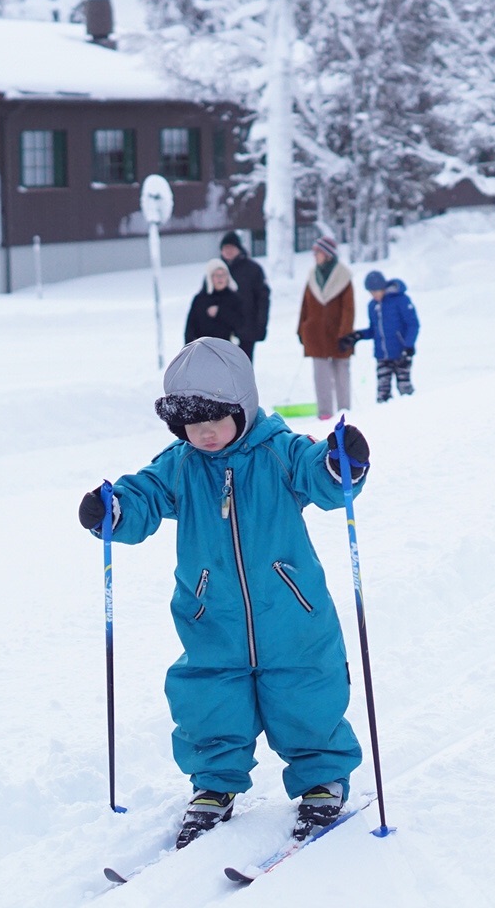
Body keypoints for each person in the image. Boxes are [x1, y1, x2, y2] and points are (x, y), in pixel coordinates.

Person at [76, 337, 371, 847]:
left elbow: (319, 478)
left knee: (306, 693)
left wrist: (340, 462)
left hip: (292, 613)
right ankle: (214, 784)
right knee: (209, 699)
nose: (205, 434)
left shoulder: (280, 451)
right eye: (192, 424)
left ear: (244, 407)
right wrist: (115, 509)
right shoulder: (180, 464)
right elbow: (143, 496)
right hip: (210, 615)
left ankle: (322, 779)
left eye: (215, 419)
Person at [298, 234, 356, 420]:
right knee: (320, 376)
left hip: (339, 334)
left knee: (341, 375)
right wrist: (301, 329)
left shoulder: (343, 277)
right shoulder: (312, 277)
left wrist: (344, 333)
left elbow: (349, 309)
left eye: (318, 252)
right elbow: (305, 306)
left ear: (328, 254)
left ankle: (344, 411)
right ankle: (324, 414)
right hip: (315, 334)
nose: (315, 255)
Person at [340, 271, 420, 403]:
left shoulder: (401, 300)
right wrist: (358, 335)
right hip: (382, 356)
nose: (375, 295)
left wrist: (408, 345)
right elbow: (374, 330)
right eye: (371, 292)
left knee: (404, 388)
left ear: (384, 287)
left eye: (377, 291)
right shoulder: (372, 306)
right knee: (383, 392)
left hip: (402, 352)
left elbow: (413, 324)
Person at [219, 232, 271, 360]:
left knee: (243, 367)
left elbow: (263, 300)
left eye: (231, 248)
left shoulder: (253, 269)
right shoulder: (217, 270)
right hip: (221, 331)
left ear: (239, 248)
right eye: (225, 248)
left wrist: (260, 326)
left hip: (246, 329)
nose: (228, 251)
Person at [184, 259, 244, 345]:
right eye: (217, 275)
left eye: (223, 275)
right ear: (209, 278)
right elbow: (190, 329)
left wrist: (220, 312)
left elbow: (241, 325)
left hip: (228, 349)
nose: (220, 278)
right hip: (203, 350)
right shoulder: (200, 299)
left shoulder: (235, 298)